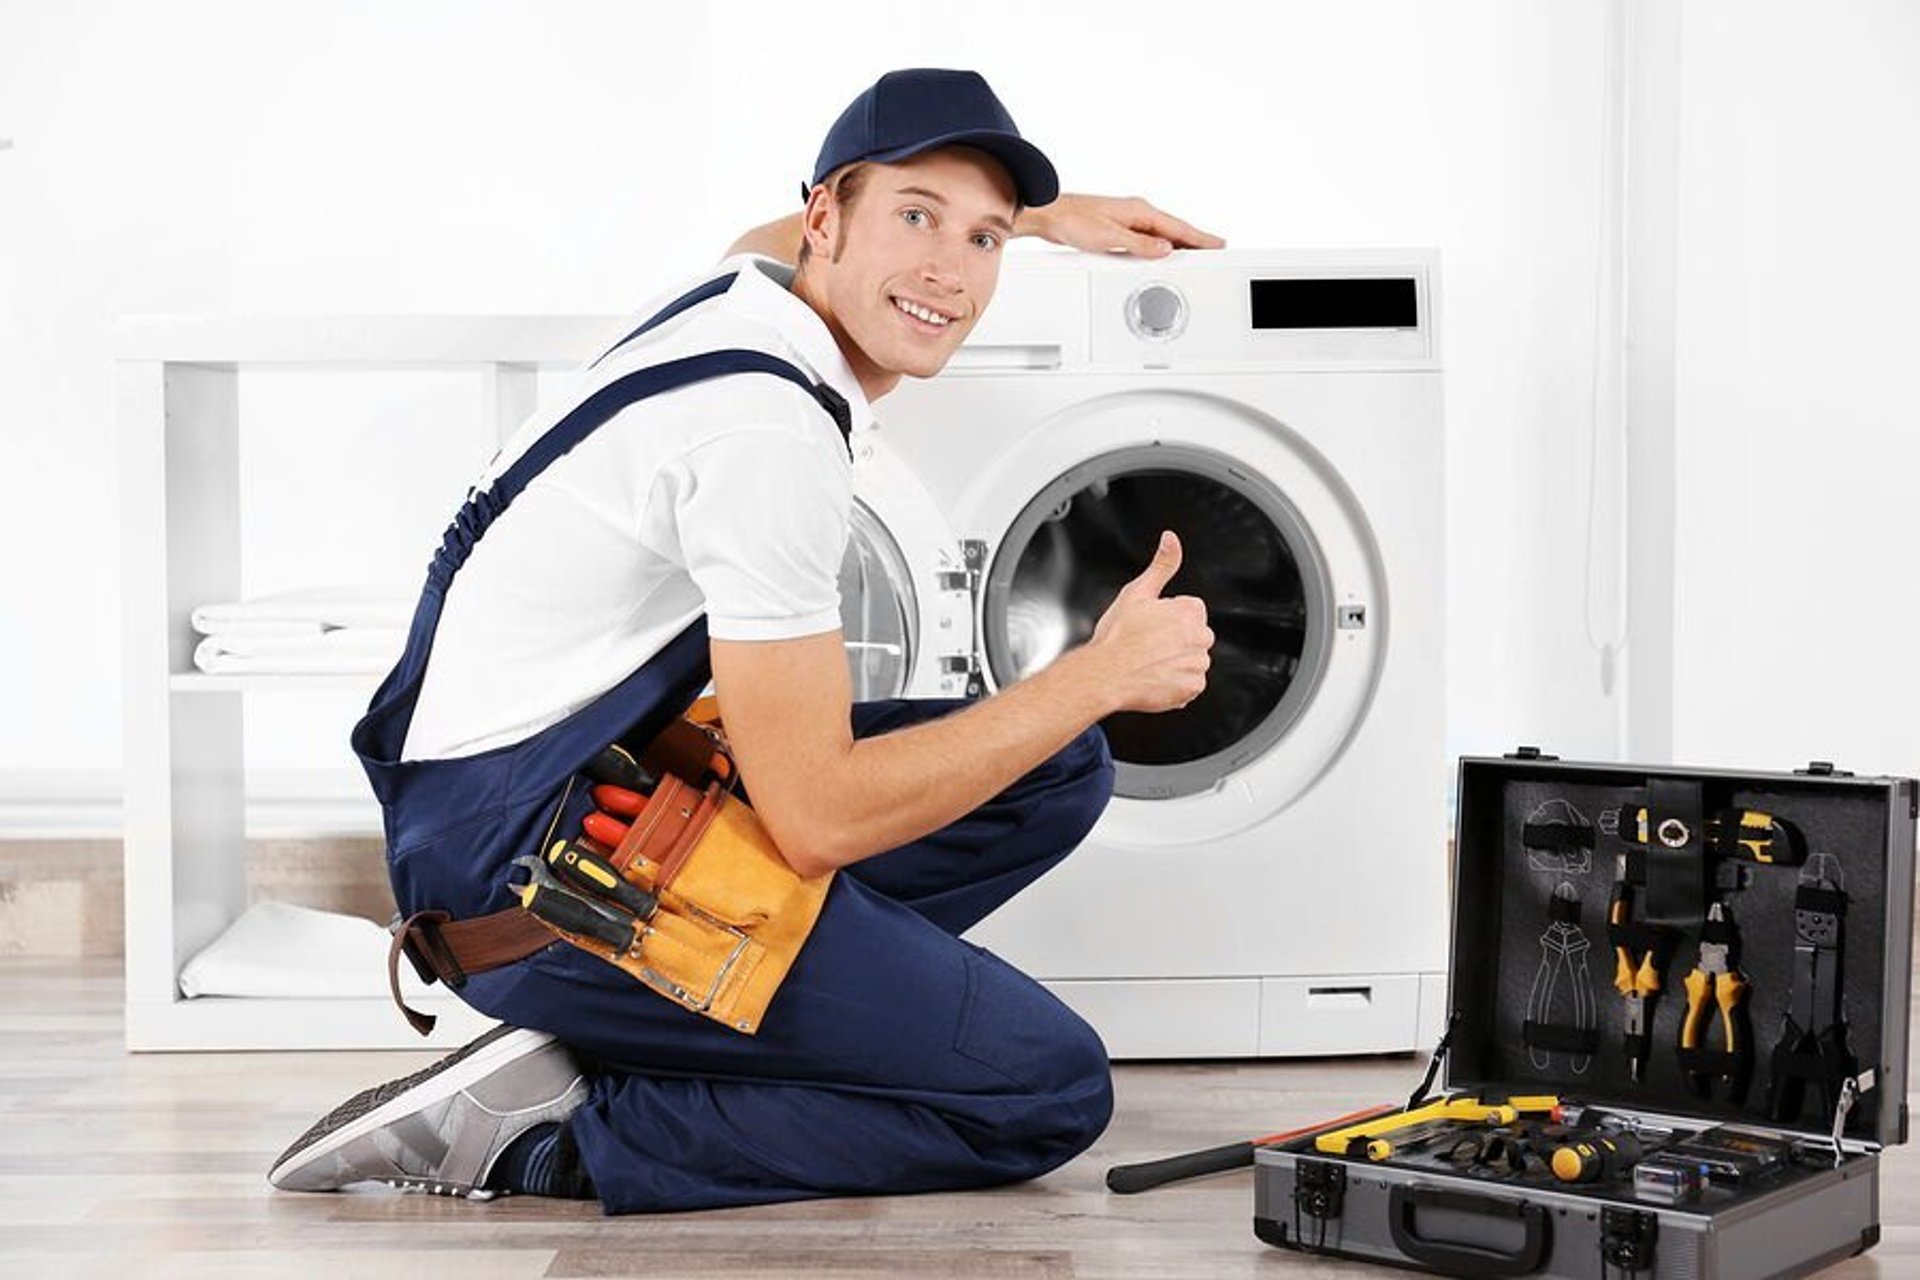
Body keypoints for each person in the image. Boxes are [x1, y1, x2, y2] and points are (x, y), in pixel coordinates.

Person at [268, 68, 1221, 1214]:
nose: (951, 272)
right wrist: (1098, 673)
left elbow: (780, 231)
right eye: (915, 216)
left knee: (1058, 769)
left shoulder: (745, 295)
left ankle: (713, 1031)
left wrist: (1049, 218)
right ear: (825, 218)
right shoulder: (766, 435)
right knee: (1044, 1088)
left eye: (983, 239)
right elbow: (818, 815)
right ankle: (552, 1131)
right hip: (524, 868)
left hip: (560, 792)